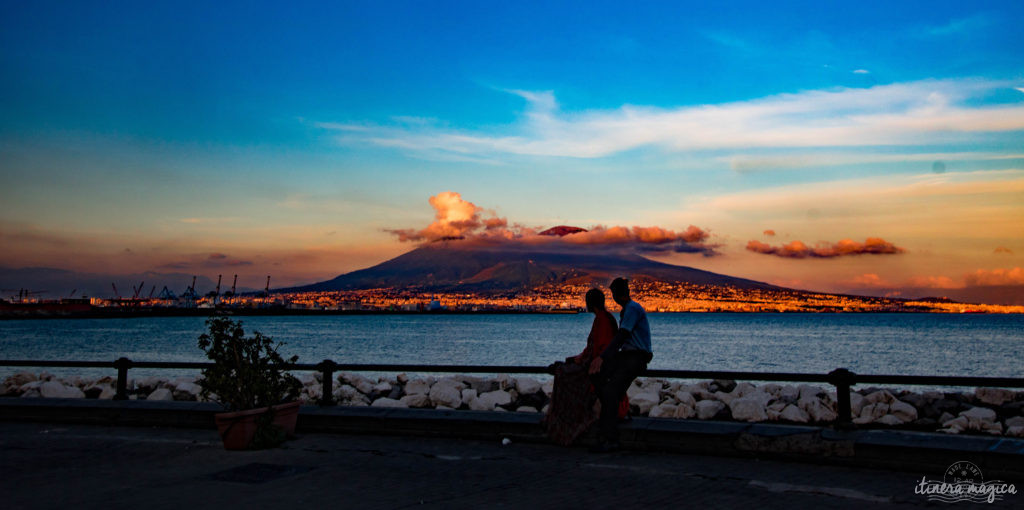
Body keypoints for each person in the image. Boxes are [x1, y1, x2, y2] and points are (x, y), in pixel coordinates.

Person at [543, 288, 629, 446]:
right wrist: (574, 360)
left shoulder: (602, 320)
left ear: (591, 303)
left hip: (597, 367)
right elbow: (592, 349)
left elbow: (598, 350)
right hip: (595, 363)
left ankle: (566, 422)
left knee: (562, 374)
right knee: (562, 369)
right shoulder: (605, 318)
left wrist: (578, 362)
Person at [588, 277, 653, 453]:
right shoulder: (629, 309)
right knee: (600, 379)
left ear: (616, 294)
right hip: (627, 356)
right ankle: (611, 418)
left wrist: (602, 357)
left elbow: (622, 335)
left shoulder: (631, 309)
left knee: (610, 391)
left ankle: (610, 437)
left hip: (635, 357)